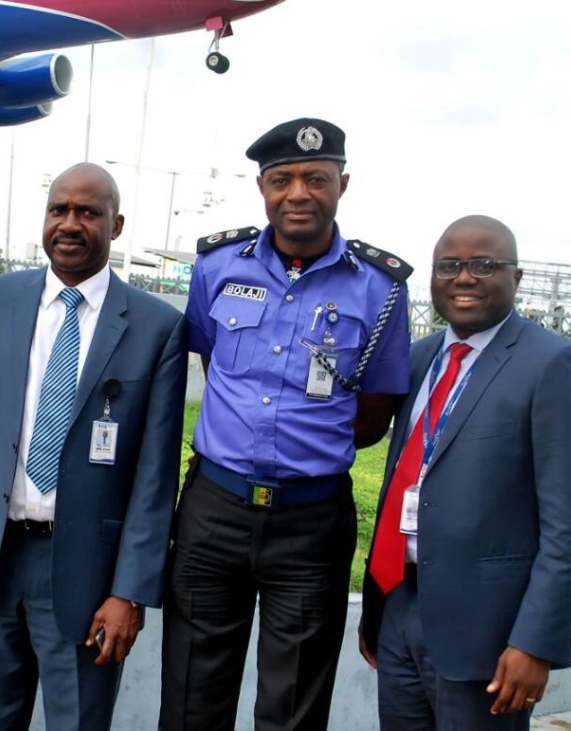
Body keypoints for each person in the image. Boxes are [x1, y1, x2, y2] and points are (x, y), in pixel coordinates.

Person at [160, 118, 413, 731]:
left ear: (342, 185)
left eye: (316, 179)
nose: (298, 193)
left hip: (311, 521)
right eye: (283, 180)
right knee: (193, 692)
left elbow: (374, 413)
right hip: (213, 511)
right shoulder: (217, 265)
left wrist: (305, 446)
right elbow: (211, 360)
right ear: (263, 188)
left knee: (294, 705)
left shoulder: (380, 287)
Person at [0, 162, 188, 730]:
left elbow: (154, 477)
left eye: (87, 213)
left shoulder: (156, 327)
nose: (69, 224)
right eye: (58, 210)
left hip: (87, 577)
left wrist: (130, 591)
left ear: (115, 226)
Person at [359, 215, 571, 730]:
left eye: (484, 265)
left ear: (517, 277)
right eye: (449, 266)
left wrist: (536, 642)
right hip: (400, 605)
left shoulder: (553, 365)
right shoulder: (415, 361)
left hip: (490, 631)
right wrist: (380, 612)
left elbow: (569, 522)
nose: (464, 277)